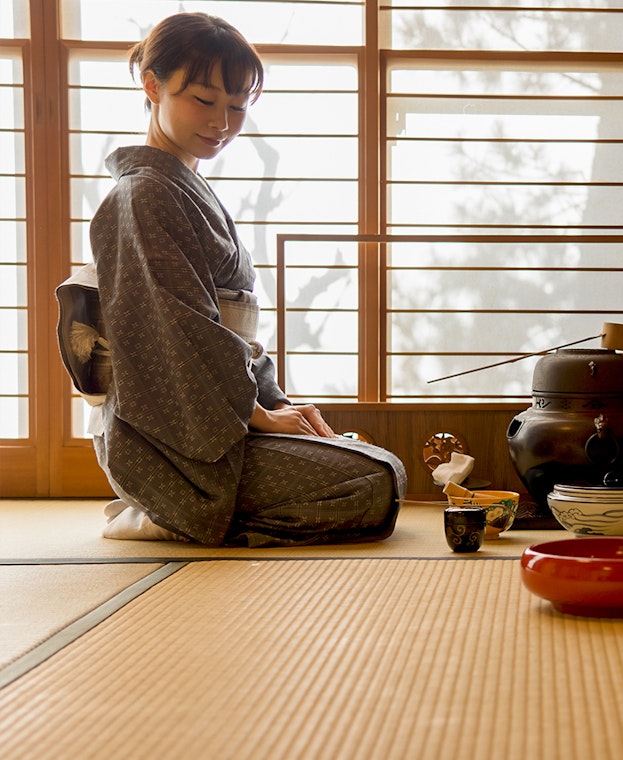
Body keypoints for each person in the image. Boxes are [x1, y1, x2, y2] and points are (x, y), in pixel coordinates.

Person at [60, 12, 404, 546]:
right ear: (153, 86)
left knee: (381, 466)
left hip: (216, 415)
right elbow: (178, 335)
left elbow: (233, 337)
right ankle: (170, 511)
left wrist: (277, 404)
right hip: (168, 441)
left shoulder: (182, 189)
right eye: (203, 99)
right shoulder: (144, 194)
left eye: (238, 106)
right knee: (372, 482)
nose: (222, 121)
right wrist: (256, 414)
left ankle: (184, 513)